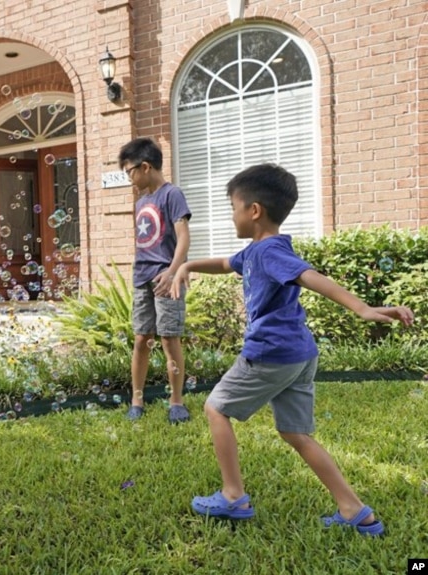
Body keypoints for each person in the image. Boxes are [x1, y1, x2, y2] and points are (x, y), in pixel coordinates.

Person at [169, 163, 413, 534]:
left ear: (254, 211)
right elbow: (224, 263)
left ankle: (233, 496)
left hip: (270, 353)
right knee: (296, 433)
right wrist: (188, 265)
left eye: (234, 207)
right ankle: (355, 510)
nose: (231, 215)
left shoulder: (270, 253)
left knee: (215, 408)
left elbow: (311, 277)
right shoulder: (254, 252)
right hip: (299, 355)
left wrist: (362, 308)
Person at [118, 138, 192, 423]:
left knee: (169, 339)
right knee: (141, 339)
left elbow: (183, 238)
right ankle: (136, 399)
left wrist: (173, 272)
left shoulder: (172, 194)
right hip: (142, 277)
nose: (129, 178)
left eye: (130, 172)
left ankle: (176, 401)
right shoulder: (141, 202)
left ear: (145, 166)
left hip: (166, 277)